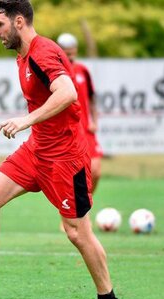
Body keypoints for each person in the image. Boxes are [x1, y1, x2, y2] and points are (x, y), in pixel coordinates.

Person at [0, 1, 122, 299]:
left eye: (0, 25)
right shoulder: (23, 56)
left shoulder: (43, 51)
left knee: (77, 232)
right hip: (37, 151)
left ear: (19, 21)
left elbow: (68, 92)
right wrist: (32, 126)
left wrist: (25, 120)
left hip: (65, 157)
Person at [57, 33, 103, 232]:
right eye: (65, 52)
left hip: (87, 129)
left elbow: (92, 97)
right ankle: (71, 214)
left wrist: (94, 120)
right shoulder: (57, 72)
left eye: (72, 51)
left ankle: (82, 211)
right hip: (70, 131)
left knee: (96, 171)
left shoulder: (83, 70)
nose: (69, 55)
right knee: (72, 177)